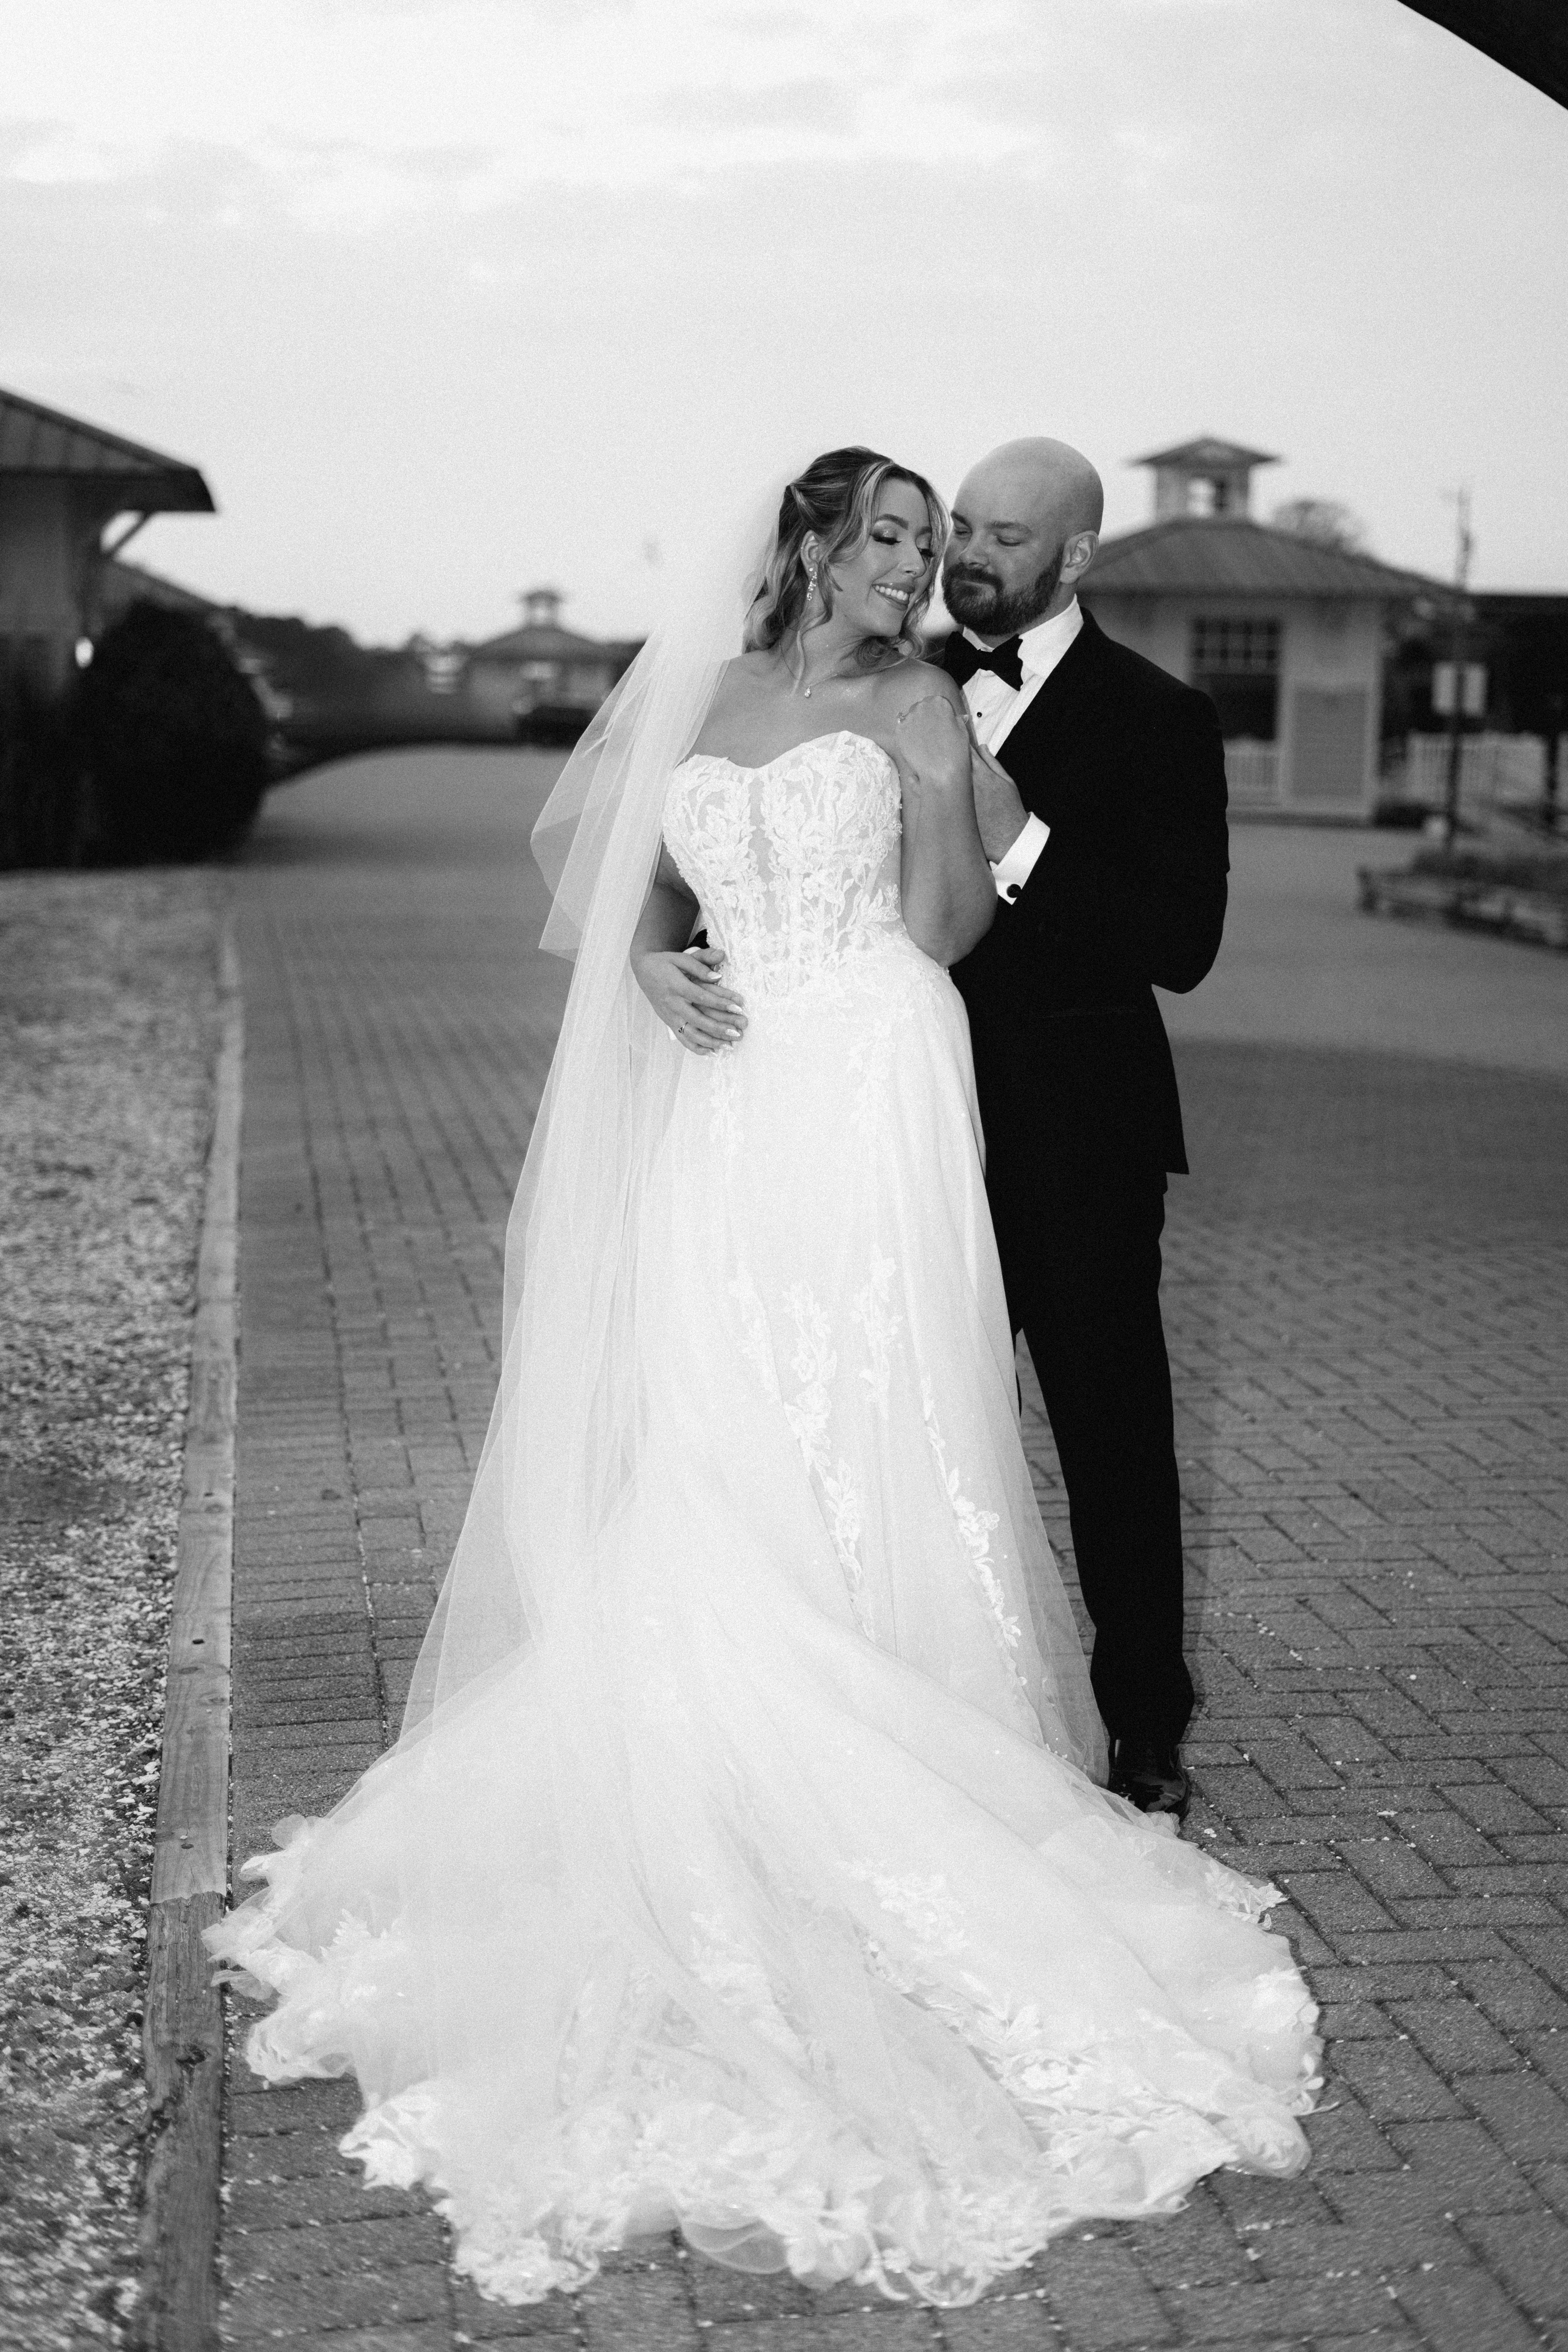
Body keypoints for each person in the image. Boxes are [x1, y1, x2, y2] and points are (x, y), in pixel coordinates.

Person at [207, 448, 1316, 2311]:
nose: (919, 562)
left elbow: (953, 934)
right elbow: (623, 890)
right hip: (734, 1102)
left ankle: (1034, 1726)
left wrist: (962, 782)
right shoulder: (708, 700)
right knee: (721, 1412)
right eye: (889, 533)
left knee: (893, 1411)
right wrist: (653, 982)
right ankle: (720, 1737)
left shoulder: (931, 704)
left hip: (880, 1077)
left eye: (938, 538)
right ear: (812, 545)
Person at [943, 438, 1231, 1821]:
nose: (967, 555)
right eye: (958, 526)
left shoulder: (1163, 720)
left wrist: (1023, 840)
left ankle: (1145, 1723)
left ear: (1072, 559)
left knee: (1111, 1433)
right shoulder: (895, 689)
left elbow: (1183, 945)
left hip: (1083, 1140)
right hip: (910, 1129)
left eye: (1003, 536)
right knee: (916, 1416)